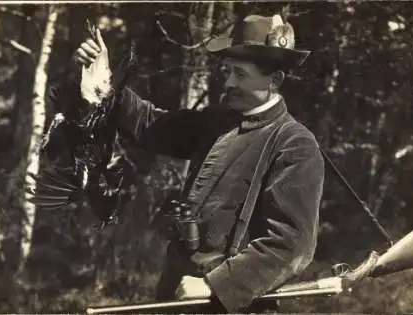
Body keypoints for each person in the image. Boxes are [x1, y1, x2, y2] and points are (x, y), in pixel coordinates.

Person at [72, 14, 325, 313]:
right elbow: (151, 124)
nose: (228, 82)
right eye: (228, 72)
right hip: (177, 297)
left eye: (240, 75)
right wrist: (104, 83)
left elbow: (292, 244)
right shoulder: (216, 122)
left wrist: (215, 286)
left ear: (274, 80)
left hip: (234, 306)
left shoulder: (294, 144)